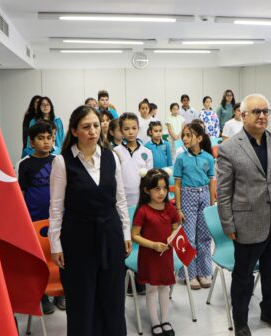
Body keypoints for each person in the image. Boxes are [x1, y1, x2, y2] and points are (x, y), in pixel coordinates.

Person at [217, 94, 271, 336]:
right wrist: (228, 223)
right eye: (256, 112)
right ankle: (241, 321)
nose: (262, 116)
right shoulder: (229, 148)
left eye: (266, 111)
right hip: (247, 223)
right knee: (243, 277)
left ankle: (270, 312)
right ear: (243, 115)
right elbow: (224, 192)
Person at [49, 105, 132, 336]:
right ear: (74, 130)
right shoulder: (62, 162)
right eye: (86, 127)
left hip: (110, 233)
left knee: (113, 297)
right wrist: (55, 244)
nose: (93, 131)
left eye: (96, 125)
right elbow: (56, 208)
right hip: (78, 236)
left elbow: (120, 199)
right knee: (82, 299)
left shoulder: (111, 156)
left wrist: (125, 232)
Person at [17, 121, 64, 314]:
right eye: (41, 138)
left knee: (60, 253)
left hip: (58, 218)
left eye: (49, 138)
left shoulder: (58, 160)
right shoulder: (25, 164)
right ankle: (43, 294)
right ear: (31, 142)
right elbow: (21, 192)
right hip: (34, 219)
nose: (46, 142)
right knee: (40, 257)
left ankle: (62, 291)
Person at [132, 169, 179, 336]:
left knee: (165, 287)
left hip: (165, 256)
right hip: (149, 256)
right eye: (157, 189)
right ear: (146, 190)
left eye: (165, 188)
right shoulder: (143, 211)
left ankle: (165, 320)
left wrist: (172, 238)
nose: (162, 192)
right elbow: (135, 235)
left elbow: (175, 228)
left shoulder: (170, 208)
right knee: (151, 289)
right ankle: (155, 322)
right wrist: (153, 245)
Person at [173, 122, 216, 290]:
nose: (184, 138)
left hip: (204, 195)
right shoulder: (181, 158)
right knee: (189, 238)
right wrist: (178, 208)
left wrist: (211, 205)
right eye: (183, 135)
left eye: (188, 135)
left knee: (205, 237)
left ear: (199, 138)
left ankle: (203, 272)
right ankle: (189, 274)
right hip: (187, 196)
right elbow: (177, 185)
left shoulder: (208, 157)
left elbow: (211, 183)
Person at [114, 112, 153, 207]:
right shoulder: (115, 152)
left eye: (134, 128)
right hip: (122, 200)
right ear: (121, 130)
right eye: (126, 129)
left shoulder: (147, 152)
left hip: (142, 199)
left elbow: (150, 178)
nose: (131, 132)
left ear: (138, 129)